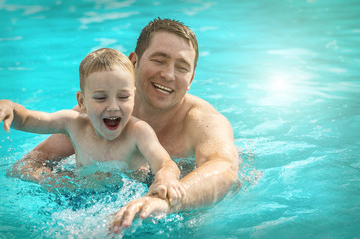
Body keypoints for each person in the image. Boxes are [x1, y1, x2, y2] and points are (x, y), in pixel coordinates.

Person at [7, 18, 240, 233]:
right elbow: (30, 163)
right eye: (159, 60)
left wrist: (166, 202)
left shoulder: (203, 121)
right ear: (134, 62)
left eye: (181, 67)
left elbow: (224, 169)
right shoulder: (101, 110)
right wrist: (62, 184)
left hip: (175, 210)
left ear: (190, 79)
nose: (168, 75)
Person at [0, 48, 186, 204]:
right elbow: (27, 119)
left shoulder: (139, 132)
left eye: (123, 97)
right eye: (100, 97)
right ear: (82, 102)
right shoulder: (72, 123)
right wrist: (10, 108)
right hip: (77, 196)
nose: (113, 106)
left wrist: (166, 178)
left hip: (127, 196)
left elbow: (165, 163)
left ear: (134, 97)